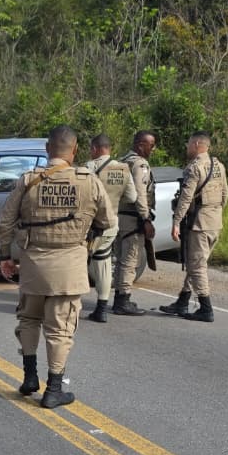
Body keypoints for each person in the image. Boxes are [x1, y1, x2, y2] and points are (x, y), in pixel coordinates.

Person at [0, 124, 115, 409]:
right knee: (60, 328)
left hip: (34, 264)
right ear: (74, 151)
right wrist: (88, 246)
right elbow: (108, 222)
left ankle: (29, 377)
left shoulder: (29, 180)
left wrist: (5, 256)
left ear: (47, 149)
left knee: (28, 319)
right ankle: (53, 389)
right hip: (69, 265)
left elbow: (5, 221)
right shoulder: (89, 181)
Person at [160, 133, 228, 322]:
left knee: (197, 267)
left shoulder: (195, 168)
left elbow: (185, 198)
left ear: (197, 144)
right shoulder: (218, 166)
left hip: (200, 223)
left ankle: (206, 308)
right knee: (196, 263)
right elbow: (225, 194)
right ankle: (182, 301)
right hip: (215, 221)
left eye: (189, 143)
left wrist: (176, 222)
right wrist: (216, 213)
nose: (187, 146)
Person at [85, 133, 137, 322]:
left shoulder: (89, 168)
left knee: (78, 260)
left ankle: (66, 302)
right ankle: (101, 307)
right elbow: (132, 198)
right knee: (103, 262)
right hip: (111, 223)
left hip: (89, 225)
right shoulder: (124, 169)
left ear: (95, 149)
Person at [112, 130, 157, 316]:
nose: (153, 149)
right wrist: (145, 218)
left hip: (118, 216)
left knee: (121, 259)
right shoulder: (139, 164)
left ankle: (118, 297)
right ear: (140, 145)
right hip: (132, 218)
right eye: (151, 145)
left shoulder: (121, 161)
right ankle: (123, 300)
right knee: (130, 259)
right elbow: (140, 192)